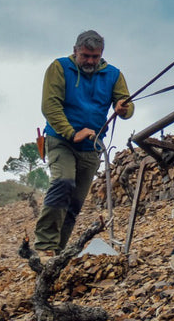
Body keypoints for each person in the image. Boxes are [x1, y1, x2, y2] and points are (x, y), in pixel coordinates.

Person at [34, 30, 134, 255]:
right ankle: (44, 246)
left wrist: (123, 108)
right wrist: (71, 133)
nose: (90, 61)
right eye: (85, 56)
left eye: (95, 57)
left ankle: (57, 252)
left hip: (92, 147)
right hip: (61, 140)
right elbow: (50, 106)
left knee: (75, 202)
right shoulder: (59, 68)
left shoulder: (113, 75)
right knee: (63, 183)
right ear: (75, 51)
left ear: (102, 55)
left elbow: (127, 104)